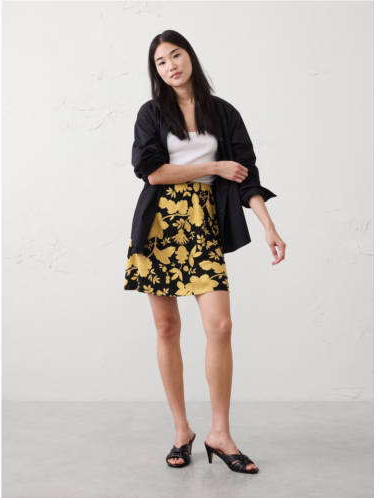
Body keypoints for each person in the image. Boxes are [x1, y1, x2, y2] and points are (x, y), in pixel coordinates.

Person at [124, 30, 286, 475]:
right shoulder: (151, 113)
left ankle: (220, 433)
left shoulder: (223, 112)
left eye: (175, 55)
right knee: (166, 327)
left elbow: (246, 175)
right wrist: (213, 166)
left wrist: (269, 226)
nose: (170, 66)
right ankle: (182, 431)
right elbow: (152, 173)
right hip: (159, 225)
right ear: (155, 71)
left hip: (203, 224)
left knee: (220, 326)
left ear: (190, 57)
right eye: (160, 62)